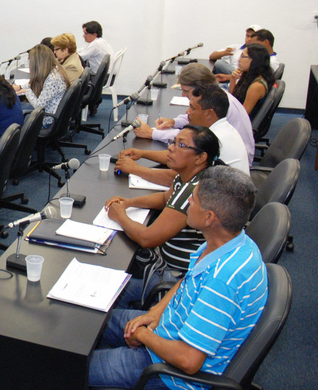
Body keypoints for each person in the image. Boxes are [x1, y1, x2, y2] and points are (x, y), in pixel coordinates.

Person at [89, 166, 267, 390]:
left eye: (193, 199)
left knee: (70, 368)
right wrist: (155, 312)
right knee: (91, 320)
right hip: (165, 330)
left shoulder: (223, 281)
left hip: (168, 373)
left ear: (209, 217)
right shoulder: (230, 242)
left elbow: (188, 361)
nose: (187, 202)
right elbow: (189, 280)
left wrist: (143, 336)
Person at [105, 125, 220, 307]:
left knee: (110, 295)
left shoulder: (194, 192)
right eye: (173, 142)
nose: (171, 148)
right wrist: (128, 203)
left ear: (201, 157)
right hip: (169, 267)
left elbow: (147, 238)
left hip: (176, 278)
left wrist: (120, 216)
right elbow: (165, 198)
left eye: (181, 145)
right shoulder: (189, 176)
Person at [117, 86, 249, 186]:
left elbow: (175, 179)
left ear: (209, 113)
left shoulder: (216, 140)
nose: (188, 112)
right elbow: (180, 154)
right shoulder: (223, 128)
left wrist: (136, 169)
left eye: (192, 108)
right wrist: (142, 153)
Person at [134, 63, 255, 165]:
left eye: (186, 91)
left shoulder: (218, 105)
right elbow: (196, 120)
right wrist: (174, 122)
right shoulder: (217, 97)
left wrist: (152, 133)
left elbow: (190, 140)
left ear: (200, 89)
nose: (183, 94)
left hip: (228, 166)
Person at [13, 44, 69, 129]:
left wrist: (26, 91)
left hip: (46, 120)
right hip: (50, 113)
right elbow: (41, 82)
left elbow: (38, 106)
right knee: (18, 108)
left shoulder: (53, 80)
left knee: (14, 115)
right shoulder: (56, 70)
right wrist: (20, 87)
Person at [229, 43, 274, 118]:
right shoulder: (249, 76)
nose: (239, 60)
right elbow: (233, 98)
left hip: (242, 121)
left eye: (242, 56)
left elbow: (243, 115)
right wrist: (233, 79)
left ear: (253, 60)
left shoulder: (257, 86)